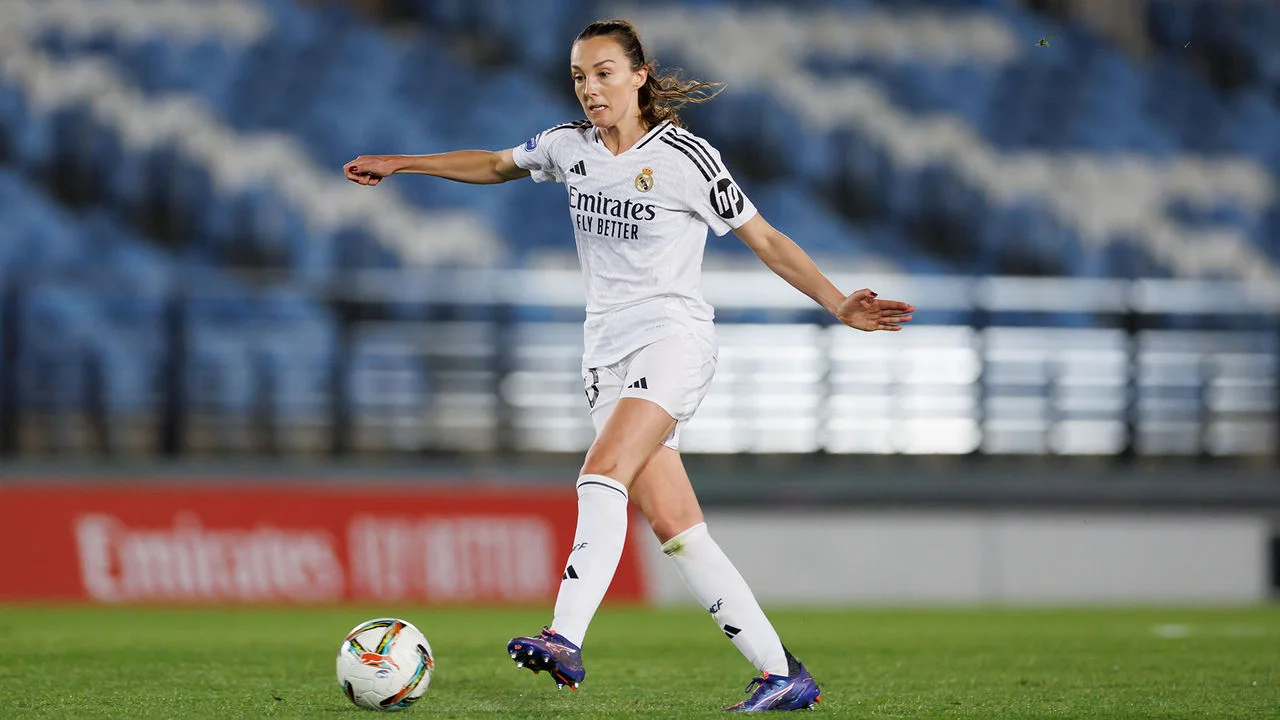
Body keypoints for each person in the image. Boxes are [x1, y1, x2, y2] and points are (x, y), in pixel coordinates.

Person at [344, 18, 915, 712]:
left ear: (639, 76)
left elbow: (762, 236)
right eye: (580, 75)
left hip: (673, 340)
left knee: (600, 471)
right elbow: (494, 164)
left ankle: (565, 635)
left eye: (605, 72)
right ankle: (781, 674)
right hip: (605, 354)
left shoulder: (686, 158)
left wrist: (834, 302)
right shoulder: (567, 147)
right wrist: (403, 164)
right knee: (680, 532)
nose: (590, 88)